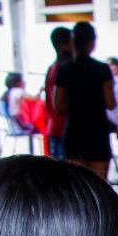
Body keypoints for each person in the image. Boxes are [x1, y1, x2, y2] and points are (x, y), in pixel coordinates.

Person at [54, 21, 115, 179]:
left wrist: (76, 102)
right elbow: (110, 103)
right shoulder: (102, 69)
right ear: (92, 43)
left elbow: (58, 106)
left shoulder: (64, 69)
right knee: (99, 185)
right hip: (97, 131)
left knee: (77, 187)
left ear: (73, 42)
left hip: (75, 131)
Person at [43, 26, 73, 160]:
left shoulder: (52, 67)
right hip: (65, 128)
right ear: (64, 45)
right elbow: (60, 104)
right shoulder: (65, 69)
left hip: (53, 127)